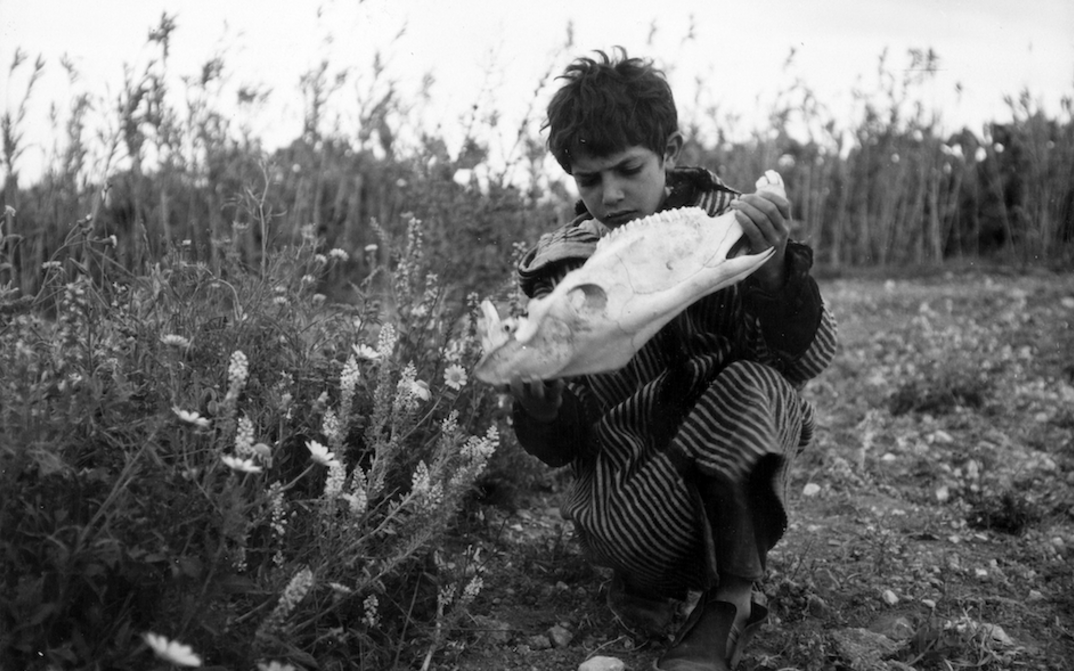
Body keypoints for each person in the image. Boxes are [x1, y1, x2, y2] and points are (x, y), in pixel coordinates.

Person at [507, 48, 839, 671]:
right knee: (744, 398)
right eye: (589, 180)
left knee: (760, 386)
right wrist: (543, 407)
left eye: (628, 169)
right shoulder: (558, 273)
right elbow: (562, 447)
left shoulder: (736, 223)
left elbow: (811, 357)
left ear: (670, 149)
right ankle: (649, 582)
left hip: (737, 476)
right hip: (629, 503)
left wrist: (773, 277)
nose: (611, 195)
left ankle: (728, 606)